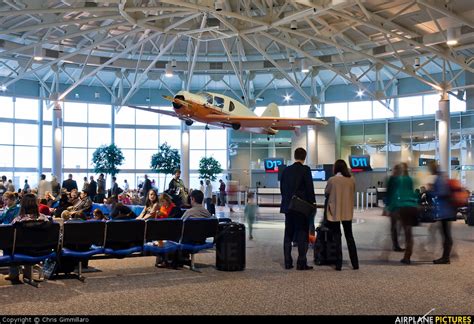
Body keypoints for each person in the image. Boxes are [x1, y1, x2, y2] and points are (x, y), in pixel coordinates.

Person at [280, 147, 315, 271]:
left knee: (288, 233)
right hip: (301, 208)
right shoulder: (305, 170)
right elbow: (309, 188)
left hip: (288, 207)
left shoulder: (286, 170)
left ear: (294, 156)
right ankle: (301, 262)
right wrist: (312, 204)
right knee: (302, 232)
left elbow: (282, 189)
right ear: (304, 157)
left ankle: (287, 262)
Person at [5, 194, 50, 284]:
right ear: (36, 204)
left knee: (10, 244)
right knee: (28, 244)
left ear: (23, 205)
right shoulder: (45, 219)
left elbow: (10, 238)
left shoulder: (18, 220)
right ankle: (28, 273)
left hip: (22, 251)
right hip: (42, 250)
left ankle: (14, 273)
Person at [325, 159, 358, 271]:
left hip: (335, 211)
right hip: (347, 211)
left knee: (337, 237)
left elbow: (327, 192)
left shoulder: (332, 180)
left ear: (335, 168)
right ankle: (355, 263)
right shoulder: (351, 180)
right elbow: (353, 191)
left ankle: (338, 264)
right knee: (349, 236)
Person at [387, 163, 419, 265]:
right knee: (408, 232)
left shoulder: (398, 180)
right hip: (411, 206)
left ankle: (405, 254)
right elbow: (413, 192)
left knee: (403, 229)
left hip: (402, 206)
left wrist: (390, 206)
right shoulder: (409, 179)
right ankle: (407, 255)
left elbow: (395, 193)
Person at [428, 161, 455, 264]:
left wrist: (431, 190)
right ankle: (446, 256)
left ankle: (446, 258)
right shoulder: (442, 177)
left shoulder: (439, 179)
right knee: (446, 234)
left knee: (446, 234)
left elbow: (442, 193)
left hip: (445, 211)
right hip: (446, 210)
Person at [385, 164, 404, 251]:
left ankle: (396, 244)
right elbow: (388, 193)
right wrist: (387, 206)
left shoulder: (398, 179)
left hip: (398, 205)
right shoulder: (393, 179)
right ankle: (395, 245)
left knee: (396, 225)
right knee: (395, 225)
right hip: (394, 205)